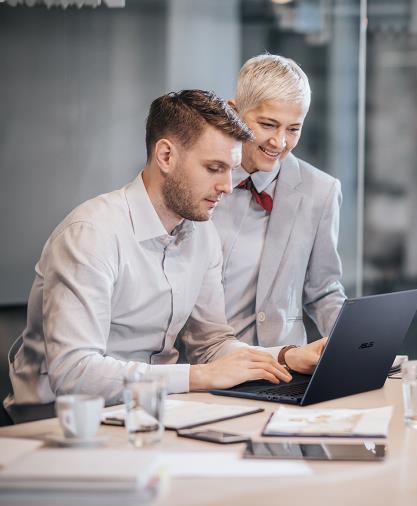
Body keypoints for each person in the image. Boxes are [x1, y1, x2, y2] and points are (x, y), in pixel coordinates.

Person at [5, 90, 320, 422]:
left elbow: (211, 344)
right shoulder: (91, 235)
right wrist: (198, 377)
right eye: (214, 168)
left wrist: (286, 357)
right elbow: (74, 373)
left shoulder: (201, 233)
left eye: (231, 170)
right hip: (59, 428)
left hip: (155, 415)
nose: (228, 186)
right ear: (166, 156)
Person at [213, 54, 345, 358]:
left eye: (293, 129)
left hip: (283, 367)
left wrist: (358, 348)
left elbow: (323, 290)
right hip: (200, 367)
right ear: (233, 112)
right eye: (268, 124)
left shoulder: (321, 192)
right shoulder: (199, 179)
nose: (279, 142)